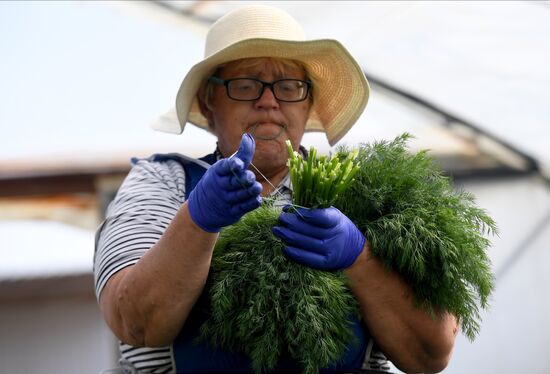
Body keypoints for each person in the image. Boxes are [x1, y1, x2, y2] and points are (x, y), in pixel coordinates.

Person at [94, 4, 458, 374]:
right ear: (208, 100)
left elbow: (430, 356)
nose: (269, 101)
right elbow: (135, 323)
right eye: (246, 84)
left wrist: (360, 257)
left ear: (308, 102)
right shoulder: (163, 182)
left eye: (288, 86)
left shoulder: (368, 192)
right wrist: (196, 221)